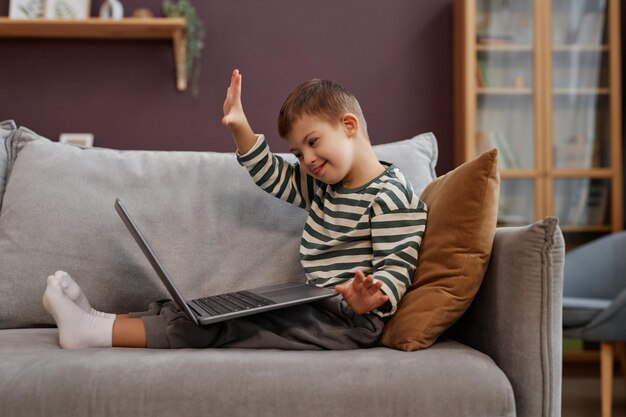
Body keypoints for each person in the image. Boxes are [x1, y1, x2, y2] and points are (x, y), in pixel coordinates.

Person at [42, 69, 427, 350]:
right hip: (315, 302)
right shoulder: (326, 186)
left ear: (348, 125)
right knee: (209, 309)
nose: (307, 159)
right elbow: (272, 174)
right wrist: (240, 130)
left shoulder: (392, 196)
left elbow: (398, 266)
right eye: (298, 152)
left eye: (312, 142)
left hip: (347, 322)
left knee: (218, 327)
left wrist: (370, 299)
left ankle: (90, 335)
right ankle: (97, 319)